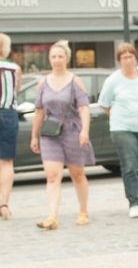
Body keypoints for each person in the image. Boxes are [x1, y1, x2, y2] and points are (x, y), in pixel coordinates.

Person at [30, 40, 94, 230]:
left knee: (77, 174)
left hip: (73, 131)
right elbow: (39, 112)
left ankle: (83, 211)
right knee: (52, 175)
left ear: (66, 58)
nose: (57, 60)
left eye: (60, 56)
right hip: (50, 133)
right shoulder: (43, 83)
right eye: (53, 57)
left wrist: (84, 130)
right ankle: (52, 216)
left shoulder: (75, 81)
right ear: (49, 59)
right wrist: (34, 136)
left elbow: (84, 108)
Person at [98, 43, 138, 219]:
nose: (128, 59)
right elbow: (105, 104)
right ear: (119, 60)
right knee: (130, 165)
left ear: (135, 57)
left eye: (130, 56)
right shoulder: (113, 80)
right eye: (124, 57)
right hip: (122, 128)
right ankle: (133, 202)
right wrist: (120, 116)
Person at [0, 33, 22, 220]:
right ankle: (4, 204)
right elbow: (17, 90)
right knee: (6, 161)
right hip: (7, 113)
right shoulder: (14, 68)